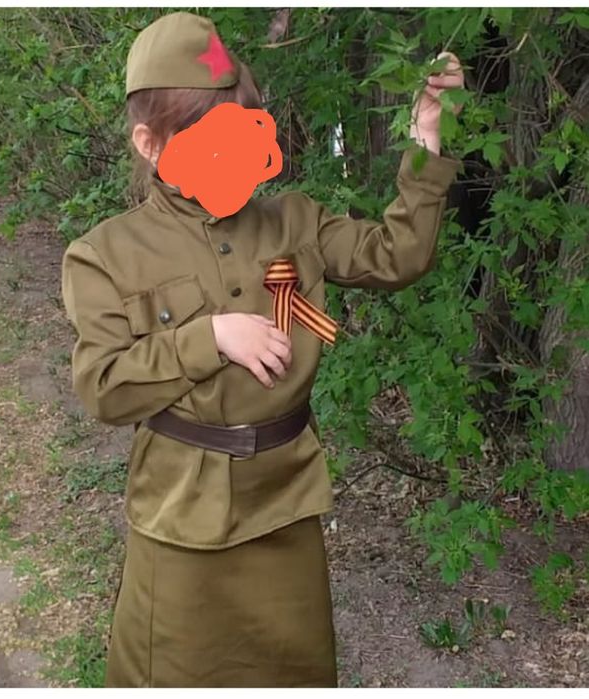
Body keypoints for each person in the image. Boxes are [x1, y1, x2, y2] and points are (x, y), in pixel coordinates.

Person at [61, 10, 463, 688]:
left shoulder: (294, 220)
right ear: (149, 144)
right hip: (181, 515)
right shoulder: (105, 255)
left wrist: (425, 140)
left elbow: (397, 256)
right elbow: (103, 387)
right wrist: (210, 337)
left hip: (285, 503)